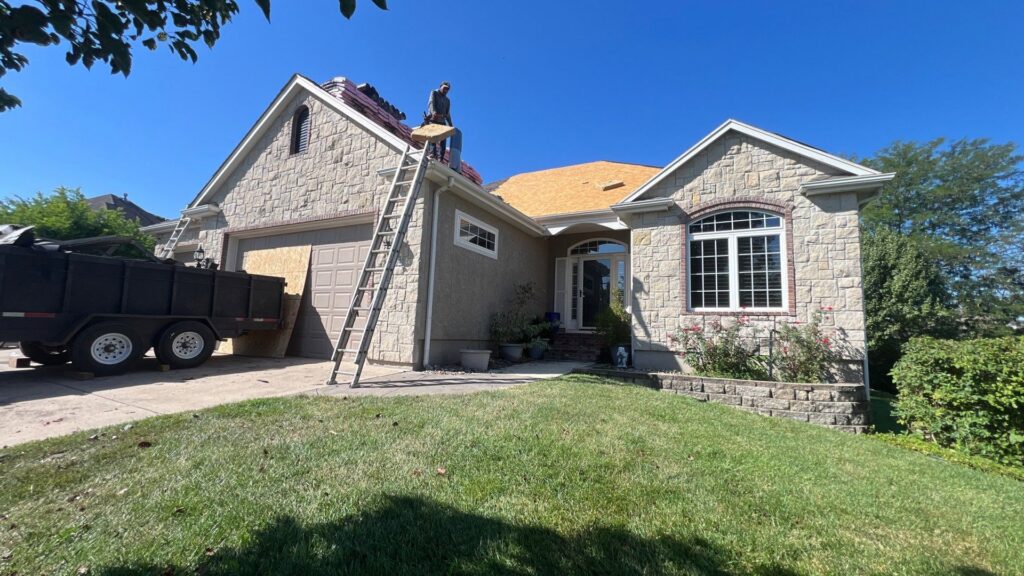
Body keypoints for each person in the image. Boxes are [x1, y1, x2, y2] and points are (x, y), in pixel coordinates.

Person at [426, 81, 452, 161]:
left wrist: (450, 124)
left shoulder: (447, 100)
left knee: (443, 140)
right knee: (433, 137)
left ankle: (441, 157)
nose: (446, 91)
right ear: (440, 87)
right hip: (434, 119)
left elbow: (447, 114)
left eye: (447, 89)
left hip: (442, 121)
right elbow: (431, 103)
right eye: (444, 88)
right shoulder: (434, 93)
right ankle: (432, 154)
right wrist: (433, 113)